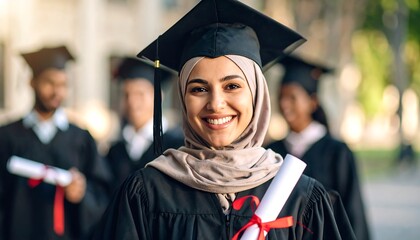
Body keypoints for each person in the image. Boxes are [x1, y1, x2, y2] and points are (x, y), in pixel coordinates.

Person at [93, 0, 356, 239]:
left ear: (257, 94)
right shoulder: (146, 194)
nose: (216, 104)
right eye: (198, 89)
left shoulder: (302, 198)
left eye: (232, 86)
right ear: (183, 98)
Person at [0, 46, 111, 240]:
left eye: (63, 84)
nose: (57, 91)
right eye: (49, 83)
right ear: (32, 82)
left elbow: (102, 194)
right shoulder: (7, 136)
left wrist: (83, 194)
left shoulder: (81, 138)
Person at [265, 55, 371, 240]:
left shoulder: (337, 152)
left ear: (312, 102)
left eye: (292, 97)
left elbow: (354, 211)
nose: (284, 104)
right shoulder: (272, 152)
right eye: (281, 97)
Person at [105, 57, 184, 193]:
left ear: (158, 96)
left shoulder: (177, 147)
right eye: (127, 94)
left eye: (140, 94)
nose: (132, 102)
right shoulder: (115, 151)